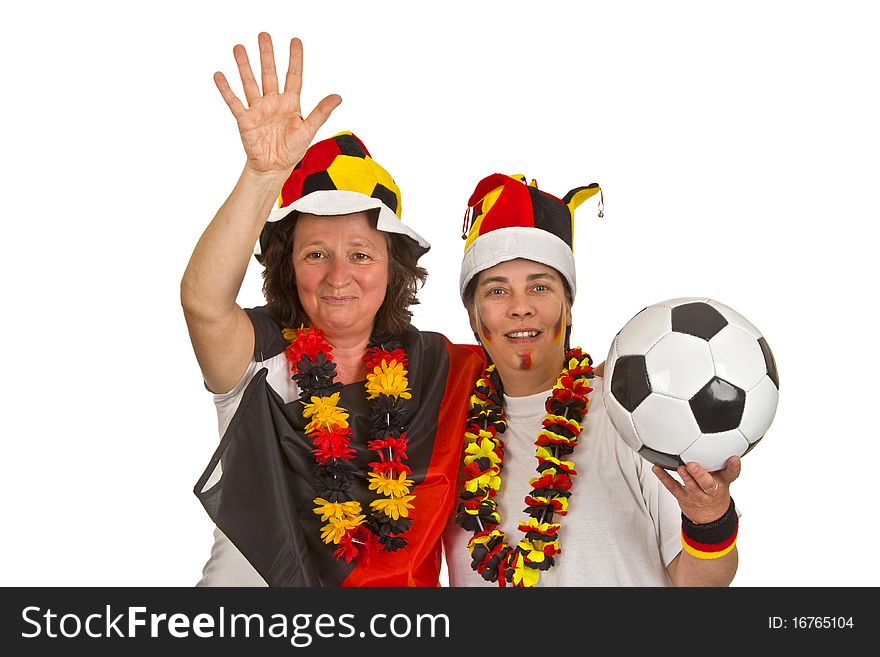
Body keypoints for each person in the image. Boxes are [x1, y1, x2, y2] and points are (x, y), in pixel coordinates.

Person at [181, 32, 483, 586]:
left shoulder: (441, 366)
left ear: (393, 267)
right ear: (286, 265)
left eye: (360, 254)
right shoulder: (259, 352)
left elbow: (534, 374)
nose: (338, 277)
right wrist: (262, 176)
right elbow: (203, 304)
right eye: (315, 253)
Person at [441, 173, 742, 586]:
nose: (521, 308)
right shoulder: (445, 429)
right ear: (474, 317)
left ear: (567, 307)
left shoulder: (634, 413)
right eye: (496, 291)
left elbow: (702, 581)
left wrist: (710, 519)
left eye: (540, 287)